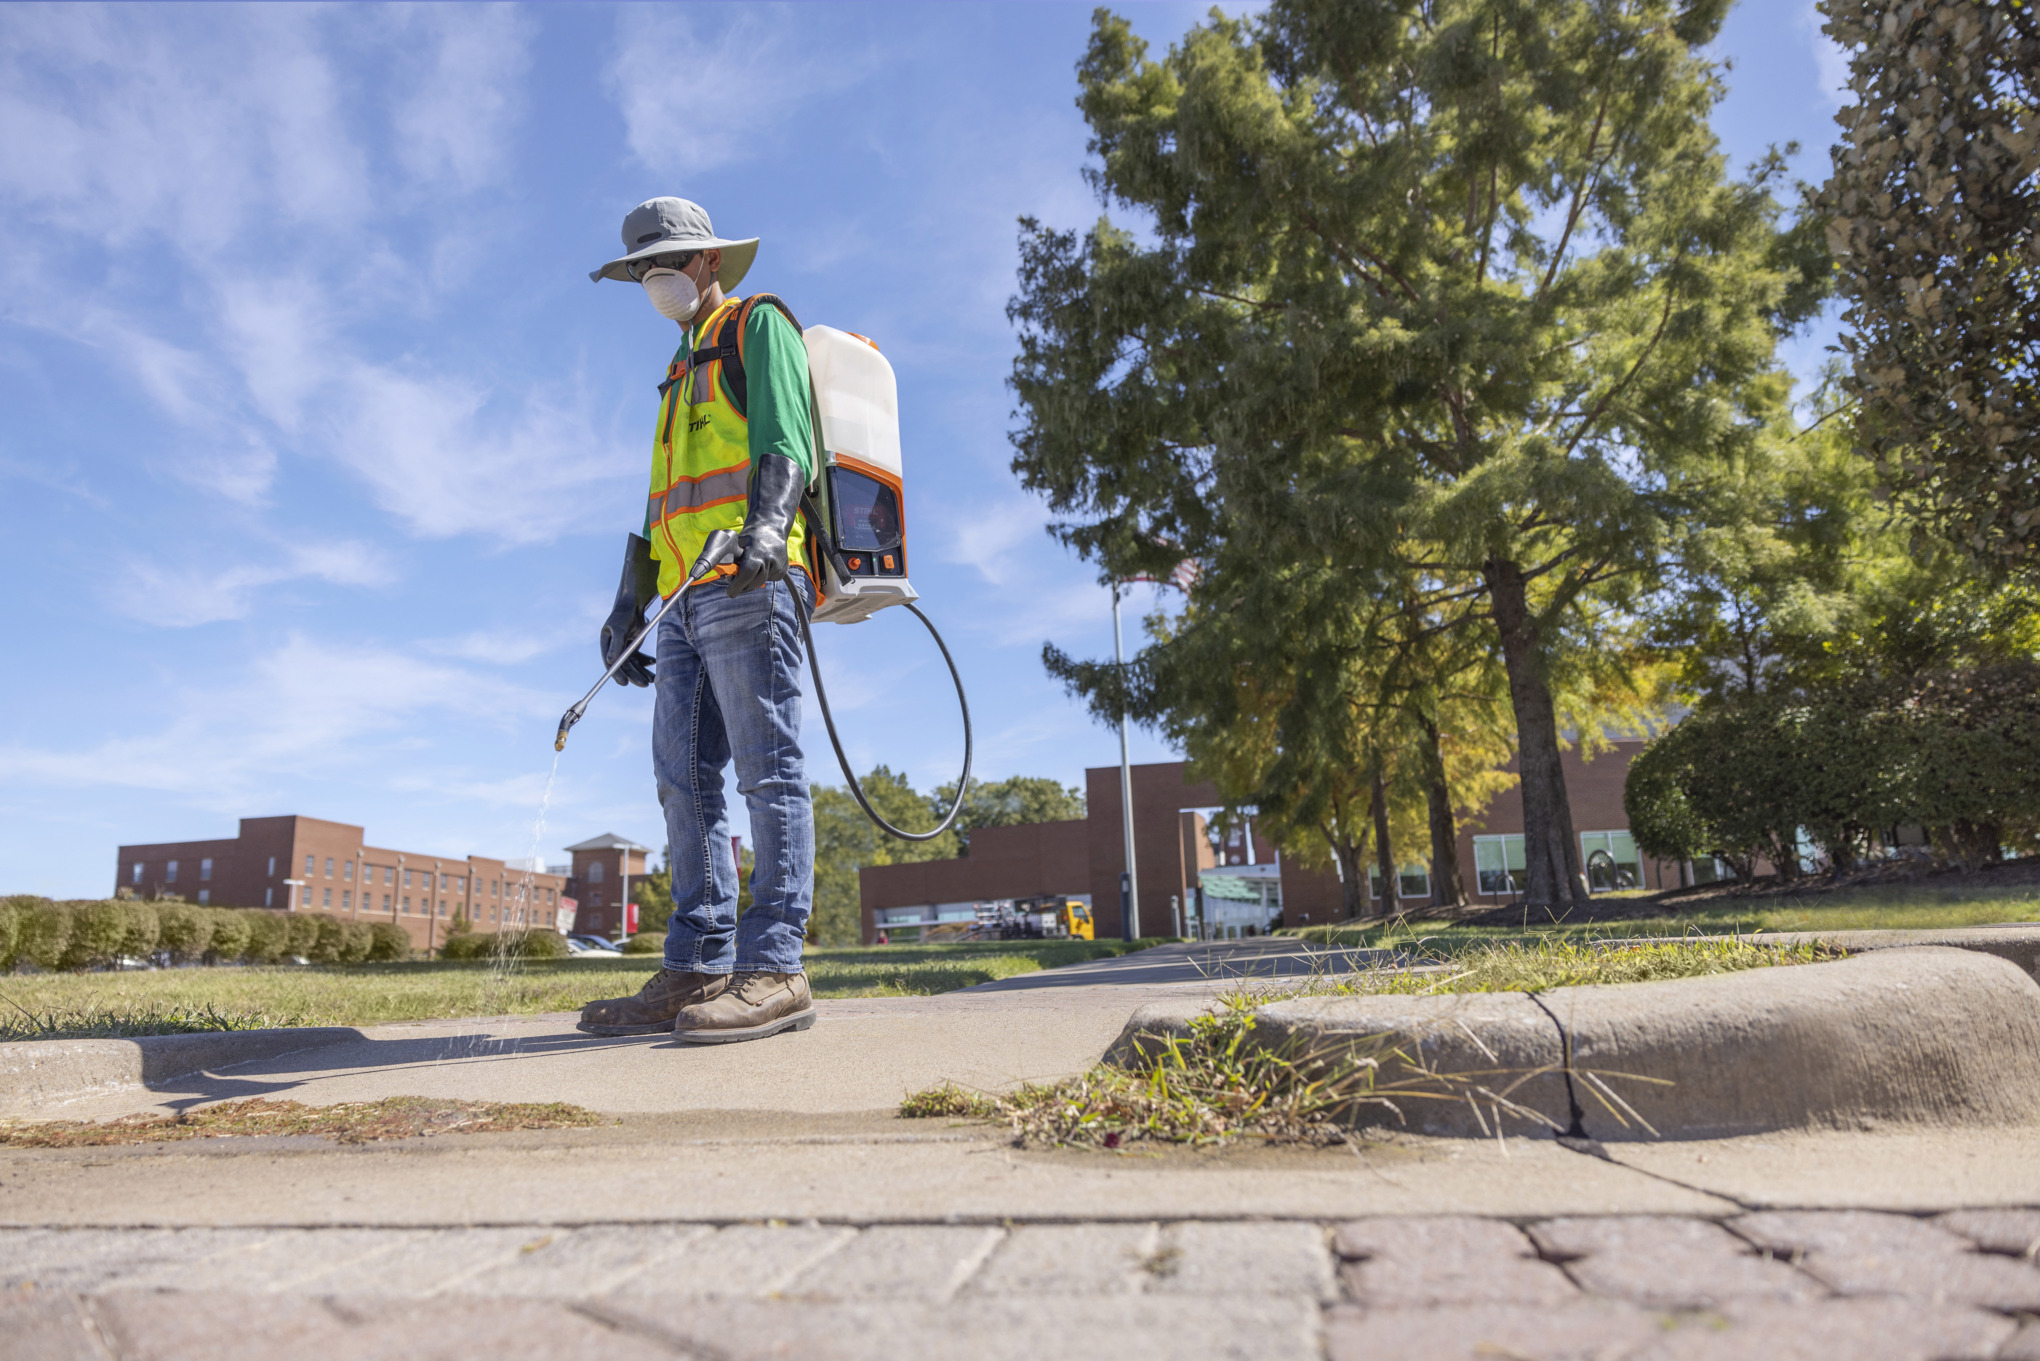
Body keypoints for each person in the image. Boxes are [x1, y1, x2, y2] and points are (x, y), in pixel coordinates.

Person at [576, 197, 818, 1045]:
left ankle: (777, 963)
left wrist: (766, 527)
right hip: (680, 600)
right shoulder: (679, 371)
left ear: (708, 261)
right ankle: (697, 963)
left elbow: (789, 440)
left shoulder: (758, 327)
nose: (653, 280)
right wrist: (626, 601)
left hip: (749, 582)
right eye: (641, 270)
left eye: (664, 263)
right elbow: (660, 500)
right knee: (684, 780)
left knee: (767, 771)